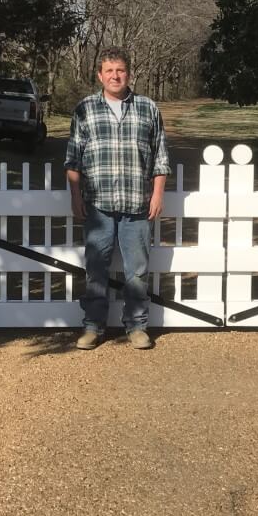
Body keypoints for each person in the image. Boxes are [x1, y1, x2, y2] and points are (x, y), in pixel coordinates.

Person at [64, 48, 170, 350]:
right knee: (95, 268)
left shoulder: (148, 108)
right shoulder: (85, 109)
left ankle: (136, 327)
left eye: (120, 70)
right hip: (97, 206)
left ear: (129, 73)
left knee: (136, 270)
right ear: (100, 75)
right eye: (109, 71)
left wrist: (158, 193)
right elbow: (73, 158)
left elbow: (160, 157)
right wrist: (75, 196)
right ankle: (93, 327)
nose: (115, 76)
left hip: (136, 202)